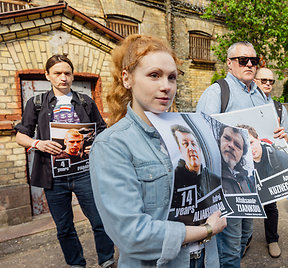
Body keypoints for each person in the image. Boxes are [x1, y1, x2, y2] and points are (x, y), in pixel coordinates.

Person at [89, 34, 227, 268]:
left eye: (172, 77)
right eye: (154, 75)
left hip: (205, 259)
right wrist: (206, 230)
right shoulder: (112, 145)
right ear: (127, 79)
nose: (166, 86)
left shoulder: (191, 131)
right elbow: (132, 235)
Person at [14, 55, 115, 268]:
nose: (63, 78)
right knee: (64, 227)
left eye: (67, 73)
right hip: (53, 177)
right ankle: (76, 263)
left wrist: (94, 145)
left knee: (99, 220)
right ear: (47, 75)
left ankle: (107, 260)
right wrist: (38, 144)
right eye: (57, 73)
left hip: (84, 172)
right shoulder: (37, 103)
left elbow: (103, 131)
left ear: (72, 75)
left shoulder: (86, 101)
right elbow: (20, 136)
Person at [196, 41, 287, 267]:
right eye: (242, 60)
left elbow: (266, 133)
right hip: (226, 184)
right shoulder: (217, 92)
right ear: (229, 63)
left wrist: (279, 136)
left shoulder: (260, 96)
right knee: (231, 244)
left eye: (253, 61)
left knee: (246, 234)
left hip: (251, 182)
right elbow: (202, 136)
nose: (249, 64)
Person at [237, 123, 288, 258]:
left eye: (251, 142)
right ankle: (246, 240)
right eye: (244, 146)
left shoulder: (279, 157)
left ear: (258, 139)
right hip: (251, 181)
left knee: (270, 207)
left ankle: (272, 240)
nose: (249, 149)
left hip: (269, 178)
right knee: (246, 207)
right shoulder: (240, 161)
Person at [171, 124, 220, 202]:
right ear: (180, 150)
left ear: (199, 149)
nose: (191, 148)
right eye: (185, 144)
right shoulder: (174, 182)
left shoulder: (215, 180)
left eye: (193, 144)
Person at [218, 126, 255, 194]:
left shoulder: (247, 181)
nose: (231, 146)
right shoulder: (210, 175)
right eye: (227, 138)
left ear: (242, 154)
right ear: (219, 140)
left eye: (237, 145)